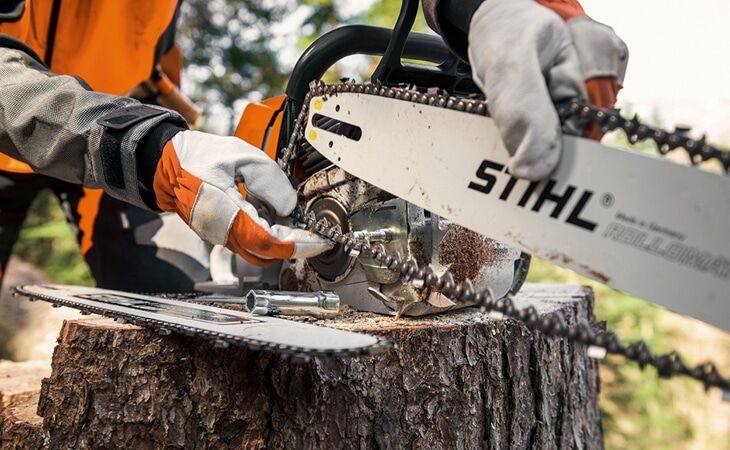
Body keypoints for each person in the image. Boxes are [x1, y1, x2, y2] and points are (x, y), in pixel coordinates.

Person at [0, 0, 626, 292]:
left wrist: (480, 4)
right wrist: (147, 149)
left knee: (179, 298)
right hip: (70, 125)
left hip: (127, 114)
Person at [0, 0, 331, 292]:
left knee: (181, 292)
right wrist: (146, 145)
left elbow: (154, 55)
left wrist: (174, 138)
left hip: (115, 149)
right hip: (81, 137)